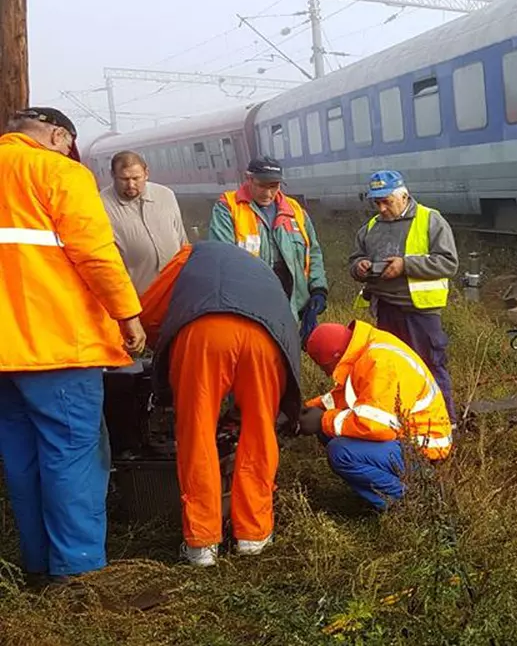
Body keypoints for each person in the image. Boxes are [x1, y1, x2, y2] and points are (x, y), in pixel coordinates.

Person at [0, 107, 146, 582]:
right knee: (73, 456)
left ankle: (38, 565)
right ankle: (78, 573)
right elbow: (95, 252)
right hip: (57, 345)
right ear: (59, 135)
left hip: (5, 356)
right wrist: (128, 314)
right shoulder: (59, 171)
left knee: (22, 458)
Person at [138, 241, 303, 567]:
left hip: (203, 334)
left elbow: (149, 310)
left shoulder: (189, 254)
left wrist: (160, 353)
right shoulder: (258, 266)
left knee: (196, 434)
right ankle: (253, 536)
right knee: (258, 432)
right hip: (265, 339)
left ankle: (202, 544)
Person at [298, 320, 453, 510]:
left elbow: (378, 427)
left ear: (335, 359)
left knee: (341, 452)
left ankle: (411, 502)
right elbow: (347, 395)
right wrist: (305, 410)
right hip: (407, 437)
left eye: (324, 368)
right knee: (330, 431)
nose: (325, 373)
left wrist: (323, 420)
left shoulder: (381, 363)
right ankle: (381, 491)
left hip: (424, 449)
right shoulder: (364, 349)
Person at [349, 170, 458, 422]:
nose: (382, 208)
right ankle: (407, 423)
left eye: (387, 201)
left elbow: (448, 263)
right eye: (377, 202)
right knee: (394, 369)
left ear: (404, 196)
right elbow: (354, 260)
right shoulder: (370, 228)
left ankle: (445, 424)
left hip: (420, 311)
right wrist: (360, 267)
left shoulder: (431, 220)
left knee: (430, 368)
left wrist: (405, 266)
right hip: (386, 309)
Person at [208, 156, 328, 340]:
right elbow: (222, 258)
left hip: (291, 302)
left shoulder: (294, 210)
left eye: (274, 186)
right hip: (249, 306)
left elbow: (312, 251)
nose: (268, 193)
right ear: (249, 179)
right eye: (262, 185)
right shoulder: (228, 208)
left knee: (288, 357)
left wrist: (318, 290)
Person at [100, 150, 190, 294]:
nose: (131, 185)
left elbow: (182, 239)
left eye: (136, 178)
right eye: (124, 179)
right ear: (113, 176)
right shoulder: (100, 205)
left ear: (146, 173)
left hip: (176, 292)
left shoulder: (166, 195)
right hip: (137, 299)